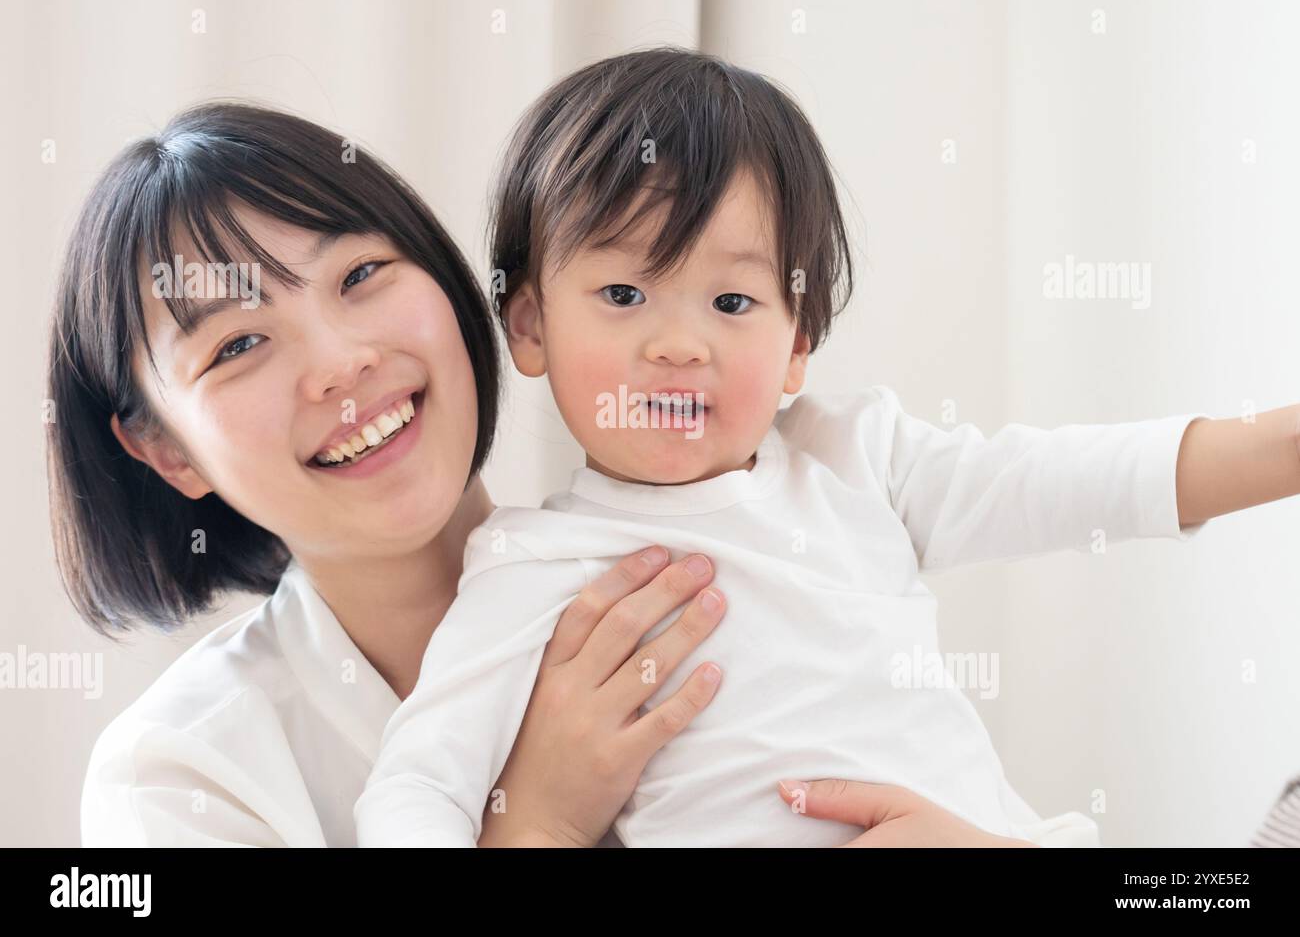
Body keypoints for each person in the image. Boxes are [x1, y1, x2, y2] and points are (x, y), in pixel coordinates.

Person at [355, 48, 1300, 848]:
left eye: (732, 303)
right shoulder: (531, 566)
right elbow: (416, 789)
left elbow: (1086, 480)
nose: (678, 344)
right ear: (529, 327)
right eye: (623, 295)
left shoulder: (855, 459)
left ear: (798, 341)